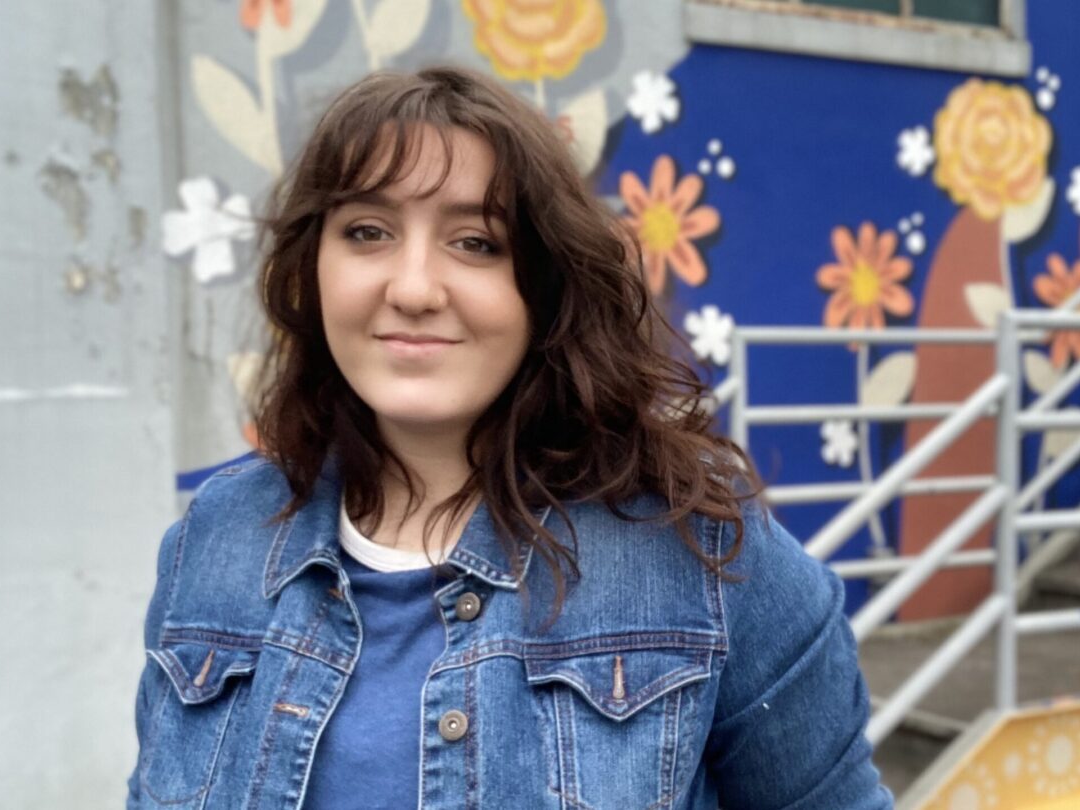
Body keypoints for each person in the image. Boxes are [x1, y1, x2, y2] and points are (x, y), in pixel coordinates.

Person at [127, 66, 893, 810]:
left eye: (477, 243)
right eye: (368, 232)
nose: (415, 289)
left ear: (548, 284)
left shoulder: (710, 561)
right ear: (312, 267)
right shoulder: (213, 543)